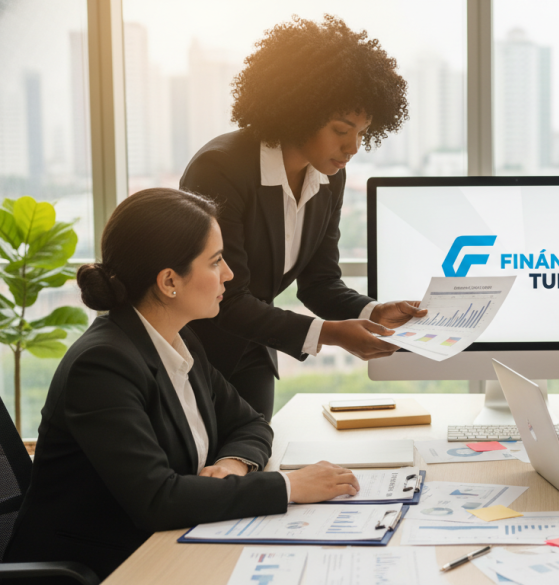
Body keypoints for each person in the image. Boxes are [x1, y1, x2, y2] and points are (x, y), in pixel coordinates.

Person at [4, 189, 362, 582]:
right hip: (104, 568)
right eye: (216, 261)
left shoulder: (179, 339)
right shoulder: (102, 365)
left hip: (172, 545)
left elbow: (250, 423)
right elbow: (158, 499)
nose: (229, 274)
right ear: (169, 281)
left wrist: (232, 465)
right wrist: (289, 485)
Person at [180, 15, 424, 421]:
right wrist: (329, 334)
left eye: (363, 131)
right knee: (209, 477)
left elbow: (320, 282)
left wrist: (372, 312)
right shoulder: (220, 169)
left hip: (254, 350)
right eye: (341, 129)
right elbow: (227, 297)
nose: (352, 147)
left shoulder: (329, 177)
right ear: (297, 109)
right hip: (191, 355)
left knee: (254, 459)